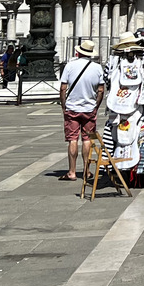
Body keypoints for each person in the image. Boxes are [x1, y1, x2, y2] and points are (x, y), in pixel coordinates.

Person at [58, 39, 106, 183]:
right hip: (89, 108)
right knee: (87, 139)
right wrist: (96, 105)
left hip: (72, 108)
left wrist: (63, 104)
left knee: (73, 139)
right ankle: (86, 170)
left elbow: (63, 88)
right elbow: (101, 90)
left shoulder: (70, 66)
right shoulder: (97, 68)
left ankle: (72, 172)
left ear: (78, 52)